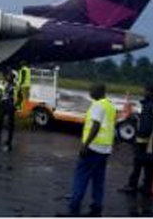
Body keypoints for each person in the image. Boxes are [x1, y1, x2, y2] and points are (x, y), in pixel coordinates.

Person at [66, 83, 116, 217]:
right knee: (99, 180)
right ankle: (96, 207)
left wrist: (85, 145)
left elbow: (96, 126)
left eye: (91, 90)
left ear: (98, 92)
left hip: (93, 148)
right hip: (105, 149)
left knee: (81, 177)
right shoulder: (110, 105)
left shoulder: (98, 105)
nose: (89, 92)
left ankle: (74, 209)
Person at [120, 83, 153, 204]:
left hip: (145, 145)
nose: (143, 93)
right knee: (149, 168)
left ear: (150, 93)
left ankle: (132, 186)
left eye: (145, 91)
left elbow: (145, 128)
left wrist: (137, 141)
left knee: (137, 165)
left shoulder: (148, 107)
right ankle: (147, 188)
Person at [0, 67, 18, 148]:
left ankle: (9, 140)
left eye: (7, 75)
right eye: (5, 75)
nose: (5, 77)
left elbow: (18, 96)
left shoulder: (14, 85)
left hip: (10, 104)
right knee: (0, 120)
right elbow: (3, 92)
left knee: (10, 123)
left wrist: (16, 105)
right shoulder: (5, 83)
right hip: (3, 103)